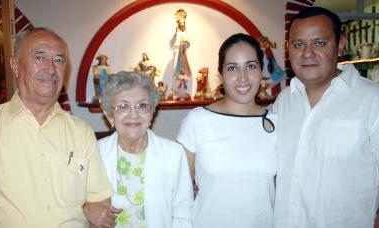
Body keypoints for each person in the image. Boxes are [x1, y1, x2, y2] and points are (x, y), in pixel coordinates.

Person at [0, 27, 119, 228]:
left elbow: (100, 205)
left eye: (59, 60)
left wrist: (91, 208)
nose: (51, 69)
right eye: (40, 57)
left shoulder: (81, 132)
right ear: (16, 66)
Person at [273, 7, 379, 228]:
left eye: (320, 43)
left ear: (340, 46)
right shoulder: (283, 102)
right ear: (288, 49)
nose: (307, 53)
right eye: (298, 44)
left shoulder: (372, 100)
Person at [177, 33, 276, 228]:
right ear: (220, 75)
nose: (243, 77)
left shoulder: (276, 122)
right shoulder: (198, 120)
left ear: (261, 71)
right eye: (232, 68)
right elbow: (180, 193)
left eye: (251, 66)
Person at [98, 71, 193, 228]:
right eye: (123, 106)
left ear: (152, 112)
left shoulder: (174, 154)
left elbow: (183, 215)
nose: (133, 114)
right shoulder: (94, 153)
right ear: (109, 115)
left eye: (142, 105)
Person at [170, 8, 192, 100]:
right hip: (177, 54)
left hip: (182, 54)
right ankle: (176, 91)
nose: (182, 25)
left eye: (183, 24)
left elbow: (188, 43)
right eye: (180, 24)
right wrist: (175, 34)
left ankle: (184, 90)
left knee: (184, 70)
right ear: (178, 24)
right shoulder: (177, 33)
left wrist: (184, 44)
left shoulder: (184, 33)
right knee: (176, 70)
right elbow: (172, 42)